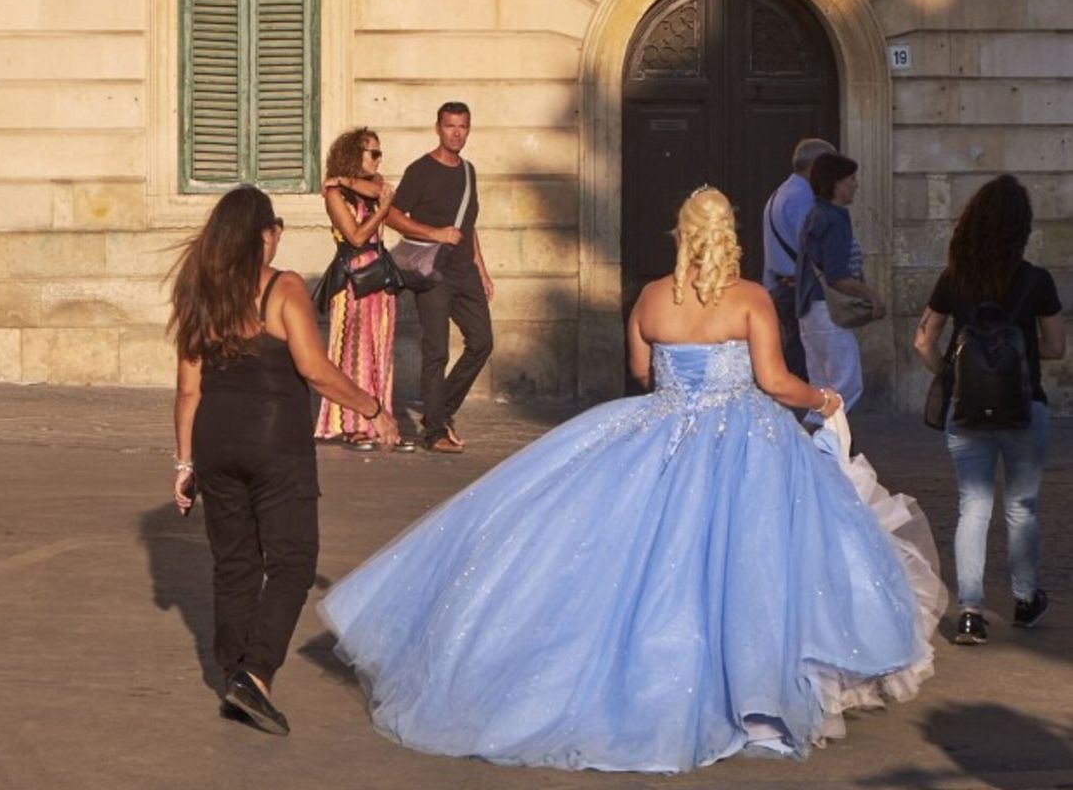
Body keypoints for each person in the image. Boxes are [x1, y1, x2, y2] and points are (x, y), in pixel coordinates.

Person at [319, 186, 944, 773]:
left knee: (636, 562)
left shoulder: (650, 299)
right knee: (748, 566)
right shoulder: (751, 298)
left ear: (682, 236)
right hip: (743, 438)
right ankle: (754, 699)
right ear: (728, 237)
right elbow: (777, 384)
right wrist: (826, 398)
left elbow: (644, 372)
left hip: (661, 431)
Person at [169, 185, 400, 737]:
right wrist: (374, 408)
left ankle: (232, 676)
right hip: (275, 443)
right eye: (275, 231)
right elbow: (316, 370)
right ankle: (256, 674)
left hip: (214, 442)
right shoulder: (283, 288)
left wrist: (184, 464)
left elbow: (187, 392)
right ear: (263, 235)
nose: (277, 240)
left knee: (235, 564)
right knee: (294, 560)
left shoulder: (200, 294)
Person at [912, 174, 1064, 646]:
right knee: (1023, 507)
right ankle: (1024, 597)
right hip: (1024, 408)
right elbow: (1056, 348)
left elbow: (923, 341)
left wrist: (952, 375)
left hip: (968, 411)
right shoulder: (1037, 280)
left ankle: (971, 612)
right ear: (1022, 227)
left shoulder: (954, 279)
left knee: (972, 507)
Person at [386, 101, 492, 454]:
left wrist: (482, 268)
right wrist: (436, 234)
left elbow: (467, 225)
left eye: (462, 126)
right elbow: (392, 216)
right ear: (438, 128)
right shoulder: (421, 170)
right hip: (433, 272)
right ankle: (434, 432)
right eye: (450, 126)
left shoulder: (469, 171)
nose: (457, 133)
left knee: (482, 342)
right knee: (436, 351)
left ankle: (440, 409)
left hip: (465, 271)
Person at [314, 127, 411, 452]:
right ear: (354, 154)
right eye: (373, 153)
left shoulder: (371, 186)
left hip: (380, 283)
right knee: (352, 352)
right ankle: (351, 424)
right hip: (353, 282)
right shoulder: (334, 197)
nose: (379, 160)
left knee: (379, 351)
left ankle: (376, 420)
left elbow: (378, 187)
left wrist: (343, 180)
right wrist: (382, 211)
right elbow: (355, 237)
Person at [795, 153, 885, 417]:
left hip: (810, 308)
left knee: (823, 386)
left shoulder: (817, 214)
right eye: (851, 179)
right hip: (826, 310)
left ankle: (821, 447)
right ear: (835, 183)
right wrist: (873, 297)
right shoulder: (832, 219)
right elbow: (837, 275)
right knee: (846, 385)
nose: (855, 185)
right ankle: (812, 439)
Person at [762, 137, 835, 381]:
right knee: (810, 365)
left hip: (786, 286)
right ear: (815, 166)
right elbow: (816, 247)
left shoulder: (782, 193)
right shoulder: (802, 199)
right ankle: (809, 417)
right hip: (801, 289)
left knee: (799, 358)